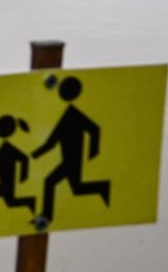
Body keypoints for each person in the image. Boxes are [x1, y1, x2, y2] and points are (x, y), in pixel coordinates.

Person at [33, 76, 111, 226]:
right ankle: (103, 187)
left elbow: (94, 129)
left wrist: (93, 153)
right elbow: (53, 141)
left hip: (72, 160)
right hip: (69, 159)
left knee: (50, 182)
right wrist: (36, 154)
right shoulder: (67, 115)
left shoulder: (73, 115)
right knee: (77, 188)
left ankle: (47, 216)